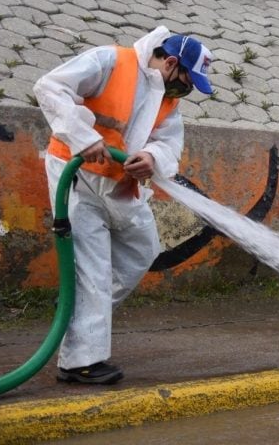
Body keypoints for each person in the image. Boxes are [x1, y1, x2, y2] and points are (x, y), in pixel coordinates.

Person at [34, 26, 214, 384]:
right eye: (186, 80)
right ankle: (80, 362)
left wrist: (151, 156)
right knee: (93, 269)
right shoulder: (111, 61)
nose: (186, 90)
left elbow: (168, 144)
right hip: (78, 176)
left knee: (142, 249)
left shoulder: (168, 101)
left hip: (122, 184)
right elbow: (50, 87)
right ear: (171, 62)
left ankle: (75, 309)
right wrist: (83, 138)